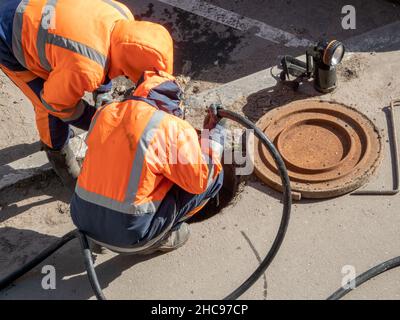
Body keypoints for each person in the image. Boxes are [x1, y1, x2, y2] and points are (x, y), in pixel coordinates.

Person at [0, 0, 173, 189]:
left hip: (33, 10)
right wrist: (98, 121)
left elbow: (105, 52)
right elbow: (55, 104)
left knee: (70, 74)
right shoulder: (85, 68)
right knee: (47, 107)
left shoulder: (122, 16)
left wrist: (103, 96)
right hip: (8, 33)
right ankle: (59, 157)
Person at [70, 70, 226, 253]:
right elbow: (201, 179)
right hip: (132, 234)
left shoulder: (105, 113)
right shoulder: (170, 126)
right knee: (214, 175)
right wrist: (213, 136)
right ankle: (162, 238)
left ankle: (99, 237)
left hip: (82, 218)